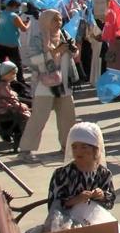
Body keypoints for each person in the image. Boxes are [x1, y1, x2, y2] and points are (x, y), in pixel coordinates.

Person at [17, 10, 78, 163]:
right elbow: (33, 61)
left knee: (67, 117)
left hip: (63, 83)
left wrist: (73, 50)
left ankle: (67, 148)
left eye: (59, 19)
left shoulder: (64, 35)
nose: (58, 23)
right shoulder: (38, 39)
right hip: (45, 84)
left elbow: (74, 54)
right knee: (39, 117)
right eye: (54, 20)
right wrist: (55, 51)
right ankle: (25, 150)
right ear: (45, 21)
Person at [47, 122, 115, 212]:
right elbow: (53, 205)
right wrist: (76, 200)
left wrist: (102, 196)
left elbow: (110, 202)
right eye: (74, 147)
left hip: (96, 220)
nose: (78, 151)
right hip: (67, 222)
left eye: (84, 147)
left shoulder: (104, 173)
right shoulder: (62, 174)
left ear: (95, 149)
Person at [0, 0, 30, 84]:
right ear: (14, 6)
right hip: (11, 44)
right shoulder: (14, 16)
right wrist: (28, 24)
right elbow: (23, 29)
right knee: (17, 64)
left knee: (0, 64)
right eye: (17, 7)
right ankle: (20, 82)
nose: (17, 9)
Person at [0, 61, 31, 136]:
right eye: (13, 73)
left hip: (4, 106)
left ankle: (19, 131)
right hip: (4, 108)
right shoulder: (3, 86)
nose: (14, 76)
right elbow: (11, 99)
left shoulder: (3, 84)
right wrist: (21, 105)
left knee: (25, 110)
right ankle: (22, 133)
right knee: (26, 114)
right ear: (5, 74)